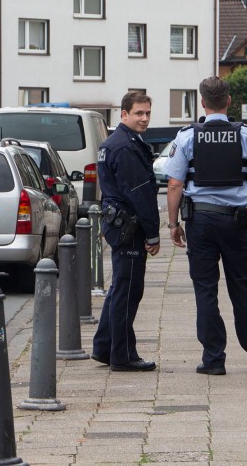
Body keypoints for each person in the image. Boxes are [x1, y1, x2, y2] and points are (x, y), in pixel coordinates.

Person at [164, 76, 247, 376]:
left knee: (206, 290)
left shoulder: (187, 137)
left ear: (202, 102)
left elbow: (174, 185)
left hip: (200, 222)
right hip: (236, 222)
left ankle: (214, 359)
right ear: (228, 101)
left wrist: (173, 224)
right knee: (243, 288)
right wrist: (238, 180)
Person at [91, 91, 160, 372]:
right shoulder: (126, 147)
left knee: (120, 288)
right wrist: (153, 233)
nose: (144, 118)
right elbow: (140, 195)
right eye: (138, 113)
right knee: (128, 291)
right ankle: (123, 356)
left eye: (147, 113)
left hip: (118, 223)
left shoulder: (115, 143)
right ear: (124, 114)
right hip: (129, 226)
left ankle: (105, 347)